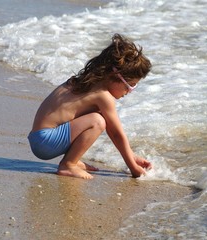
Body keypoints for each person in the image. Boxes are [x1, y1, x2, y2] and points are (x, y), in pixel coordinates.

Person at [28, 33, 152, 179]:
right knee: (97, 121)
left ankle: (72, 160)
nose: (129, 91)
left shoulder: (84, 83)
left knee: (96, 118)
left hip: (40, 139)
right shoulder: (102, 95)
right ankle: (68, 165)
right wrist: (133, 167)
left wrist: (132, 156)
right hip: (45, 142)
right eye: (130, 86)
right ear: (116, 76)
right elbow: (116, 133)